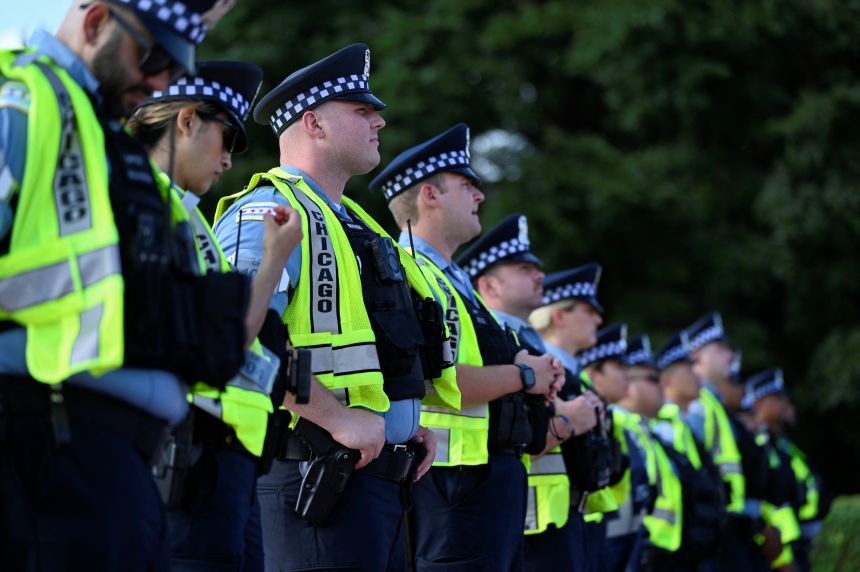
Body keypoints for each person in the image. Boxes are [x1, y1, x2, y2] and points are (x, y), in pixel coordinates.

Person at [0, 1, 233, 569]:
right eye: (150, 55)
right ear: (97, 20)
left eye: (174, 72)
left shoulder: (101, 135)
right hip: (45, 448)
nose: (159, 80)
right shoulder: (24, 98)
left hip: (113, 461)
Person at [212, 43, 456, 572]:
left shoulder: (357, 225)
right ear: (314, 124)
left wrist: (402, 420)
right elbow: (234, 335)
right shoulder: (269, 211)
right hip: (315, 475)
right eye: (362, 111)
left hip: (377, 483)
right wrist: (337, 417)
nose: (379, 123)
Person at [128, 60, 304, 571]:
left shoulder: (186, 217)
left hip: (222, 461)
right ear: (186, 121)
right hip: (182, 458)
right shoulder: (148, 208)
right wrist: (273, 260)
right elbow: (220, 344)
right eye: (225, 138)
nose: (227, 160)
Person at [370, 124, 563, 570]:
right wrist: (526, 375)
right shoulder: (408, 270)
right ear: (429, 195)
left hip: (483, 477)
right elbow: (441, 377)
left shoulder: (453, 280)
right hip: (449, 483)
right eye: (466, 186)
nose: (479, 197)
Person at [461, 214, 601, 572]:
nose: (540, 275)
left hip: (546, 516)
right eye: (524, 269)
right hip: (522, 522)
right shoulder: (494, 347)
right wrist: (571, 420)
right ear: (489, 286)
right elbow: (516, 431)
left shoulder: (526, 344)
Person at [529, 264, 620, 572]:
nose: (598, 318)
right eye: (587, 309)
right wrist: (569, 423)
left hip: (576, 518)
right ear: (559, 315)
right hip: (542, 524)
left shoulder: (577, 376)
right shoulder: (545, 368)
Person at [685, 312, 756, 570]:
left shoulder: (712, 402)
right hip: (711, 527)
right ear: (697, 358)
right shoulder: (696, 404)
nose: (730, 356)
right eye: (720, 349)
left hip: (725, 524)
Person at [650, 330, 726, 570]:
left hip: (698, 545)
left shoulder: (682, 425)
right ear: (668, 380)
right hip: (672, 552)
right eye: (689, 371)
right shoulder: (661, 426)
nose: (698, 377)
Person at [619, 334, 684, 570]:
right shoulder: (622, 428)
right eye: (653, 378)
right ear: (628, 383)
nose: (663, 385)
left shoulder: (644, 431)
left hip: (659, 555)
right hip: (639, 554)